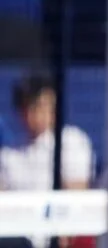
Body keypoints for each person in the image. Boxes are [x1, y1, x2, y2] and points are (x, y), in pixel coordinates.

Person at [0, 73, 94, 248]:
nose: (42, 114)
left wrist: (65, 230)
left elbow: (77, 194)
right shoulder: (9, 151)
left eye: (48, 107)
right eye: (33, 107)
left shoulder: (71, 141)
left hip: (55, 237)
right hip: (15, 236)